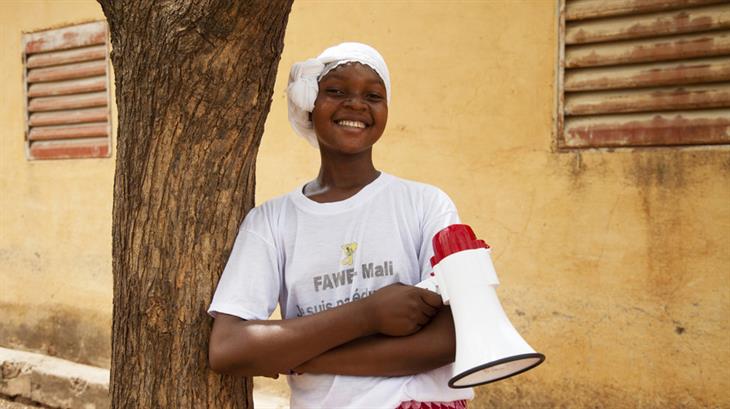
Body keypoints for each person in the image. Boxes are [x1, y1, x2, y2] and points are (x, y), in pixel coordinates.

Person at [208, 42, 474, 409]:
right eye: (335, 91)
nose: (356, 104)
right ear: (309, 103)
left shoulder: (425, 204)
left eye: (373, 95)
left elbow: (450, 339)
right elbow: (229, 349)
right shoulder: (271, 222)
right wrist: (367, 315)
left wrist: (294, 355)